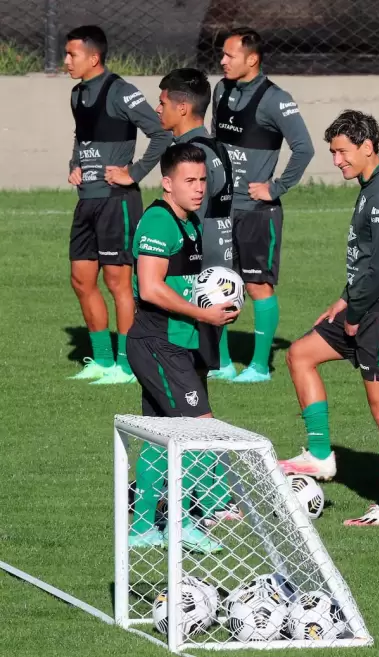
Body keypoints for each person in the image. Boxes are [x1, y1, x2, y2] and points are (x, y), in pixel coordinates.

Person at [278, 110, 379, 527]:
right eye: (333, 152)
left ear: (367, 147)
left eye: (342, 152)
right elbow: (376, 261)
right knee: (300, 354)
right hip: (366, 305)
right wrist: (345, 299)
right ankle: (320, 455)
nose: (337, 160)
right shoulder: (378, 183)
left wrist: (356, 312)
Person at [126, 143, 239, 551]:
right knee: (200, 431)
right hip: (158, 343)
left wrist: (216, 306)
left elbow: (185, 284)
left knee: (160, 437)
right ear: (167, 182)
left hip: (176, 344)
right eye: (189, 181)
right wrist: (203, 314)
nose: (198, 188)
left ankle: (141, 528)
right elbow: (152, 288)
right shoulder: (159, 223)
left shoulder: (189, 222)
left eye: (203, 180)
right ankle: (179, 521)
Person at [157, 68, 242, 527]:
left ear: (182, 105)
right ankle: (203, 490)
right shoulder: (215, 149)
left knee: (190, 393)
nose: (158, 109)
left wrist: (195, 287)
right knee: (191, 387)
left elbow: (197, 224)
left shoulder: (191, 155)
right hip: (213, 279)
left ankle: (217, 497)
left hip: (196, 284)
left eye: (163, 102)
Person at [64, 25, 171, 384]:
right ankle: (103, 361)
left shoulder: (122, 92)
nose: (66, 61)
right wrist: (73, 166)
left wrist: (135, 172)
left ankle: (127, 366)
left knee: (118, 282)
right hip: (87, 202)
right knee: (81, 280)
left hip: (117, 202)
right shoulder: (77, 95)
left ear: (93, 57)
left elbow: (161, 132)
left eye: (71, 54)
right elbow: (82, 139)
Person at [212, 27, 315, 383]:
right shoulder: (220, 90)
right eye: (221, 55)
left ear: (252, 59)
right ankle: (222, 363)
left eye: (229, 55)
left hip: (257, 212)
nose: (222, 61)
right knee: (218, 283)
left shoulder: (275, 99)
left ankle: (259, 367)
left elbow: (304, 148)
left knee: (257, 287)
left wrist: (276, 187)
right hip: (220, 209)